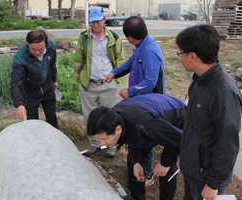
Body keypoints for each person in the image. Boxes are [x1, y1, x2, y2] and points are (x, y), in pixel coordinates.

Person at [176, 24, 242, 200]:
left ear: (192, 56)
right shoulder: (198, 82)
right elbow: (191, 125)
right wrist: (183, 155)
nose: (179, 58)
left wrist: (214, 183)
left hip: (206, 178)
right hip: (193, 169)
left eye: (180, 53)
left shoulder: (223, 92)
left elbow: (228, 142)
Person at [104, 15, 166, 186]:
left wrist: (130, 91)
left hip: (150, 102)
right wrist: (114, 73)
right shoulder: (140, 47)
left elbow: (150, 82)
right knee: (136, 136)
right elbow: (129, 64)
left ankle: (146, 174)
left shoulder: (150, 50)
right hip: (139, 100)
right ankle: (136, 167)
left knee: (146, 139)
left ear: (130, 36)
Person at [87, 93, 186, 200]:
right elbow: (130, 137)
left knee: (167, 172)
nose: (102, 143)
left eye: (104, 139)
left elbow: (180, 140)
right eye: (99, 139)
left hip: (178, 120)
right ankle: (136, 197)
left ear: (118, 130)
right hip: (146, 118)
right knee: (135, 164)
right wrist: (135, 162)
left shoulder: (145, 124)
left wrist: (165, 163)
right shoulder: (115, 118)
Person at [74, 6, 125, 157]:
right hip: (88, 84)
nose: (95, 25)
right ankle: (94, 144)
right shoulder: (83, 37)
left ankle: (112, 145)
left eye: (98, 21)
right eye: (92, 22)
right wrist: (80, 78)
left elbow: (120, 60)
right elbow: (78, 59)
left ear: (104, 20)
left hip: (108, 84)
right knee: (89, 116)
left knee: (111, 115)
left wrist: (117, 80)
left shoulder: (113, 38)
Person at [10, 30, 58, 128]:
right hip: (30, 92)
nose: (37, 52)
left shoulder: (51, 46)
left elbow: (52, 65)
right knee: (33, 123)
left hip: (47, 88)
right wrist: (19, 104)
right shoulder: (21, 56)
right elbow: (16, 82)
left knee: (52, 118)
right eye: (33, 49)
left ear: (46, 43)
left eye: (40, 49)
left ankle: (53, 140)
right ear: (28, 44)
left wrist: (54, 80)